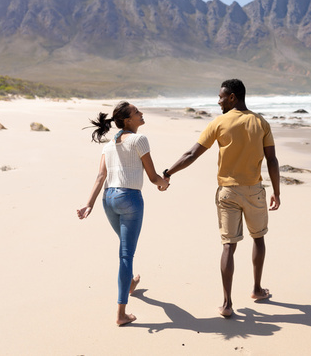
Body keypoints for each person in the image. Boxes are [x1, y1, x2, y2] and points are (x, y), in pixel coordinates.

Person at [163, 79, 281, 317]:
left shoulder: (219, 123)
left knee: (229, 245)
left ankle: (227, 304)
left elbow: (191, 154)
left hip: (227, 192)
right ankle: (257, 289)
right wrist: (277, 192)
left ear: (232, 97)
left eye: (220, 97)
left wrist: (167, 173)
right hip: (255, 190)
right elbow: (272, 160)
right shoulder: (261, 122)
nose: (218, 101)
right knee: (258, 239)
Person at [77, 101, 169, 326]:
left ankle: (129, 283)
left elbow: (100, 177)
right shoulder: (139, 139)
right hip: (129, 199)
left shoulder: (109, 145)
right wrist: (164, 184)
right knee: (126, 254)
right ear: (128, 120)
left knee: (125, 247)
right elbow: (153, 176)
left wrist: (89, 204)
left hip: (108, 199)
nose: (141, 113)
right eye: (137, 112)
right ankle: (120, 313)